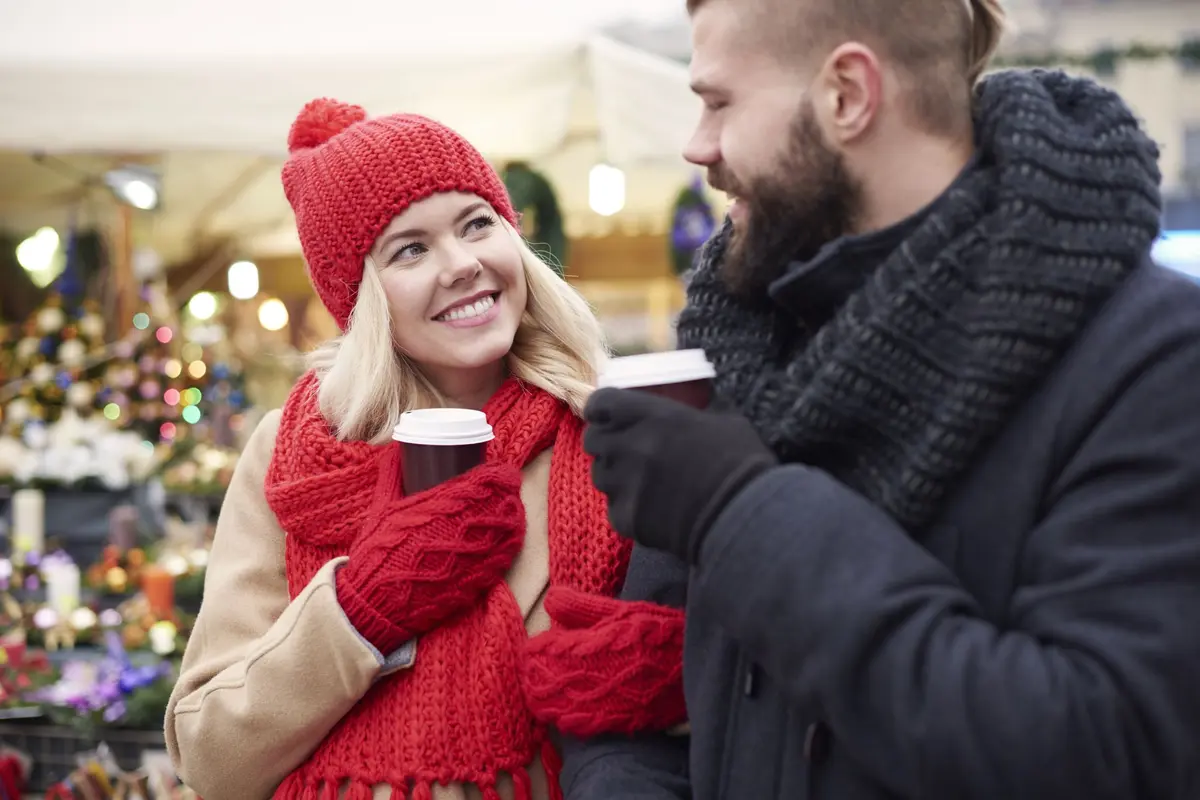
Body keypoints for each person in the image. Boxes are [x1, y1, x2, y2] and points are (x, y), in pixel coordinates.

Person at [564, 0, 1200, 798]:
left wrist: (741, 513)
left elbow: (1103, 752)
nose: (698, 146)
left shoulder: (1152, 362)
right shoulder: (741, 339)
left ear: (847, 96)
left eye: (719, 102)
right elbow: (629, 704)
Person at [165, 99, 686, 800]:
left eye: (477, 224)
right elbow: (211, 757)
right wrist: (360, 610)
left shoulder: (605, 429)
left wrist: (672, 682)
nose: (463, 264)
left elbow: (698, 697)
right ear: (361, 298)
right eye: (410, 249)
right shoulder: (295, 453)